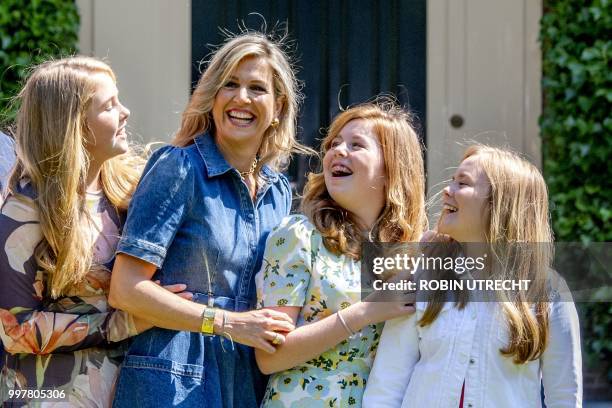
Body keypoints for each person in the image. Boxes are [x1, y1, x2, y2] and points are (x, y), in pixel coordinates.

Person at [109, 31, 309, 407]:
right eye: (229, 84)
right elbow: (126, 288)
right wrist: (228, 323)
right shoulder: (179, 167)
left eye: (257, 88)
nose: (241, 98)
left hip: (246, 380)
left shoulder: (279, 190)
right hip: (170, 377)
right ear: (212, 96)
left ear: (278, 106)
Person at [0, 57, 190, 407]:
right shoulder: (26, 207)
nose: (126, 112)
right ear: (74, 125)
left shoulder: (130, 189)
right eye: (109, 106)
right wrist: (122, 324)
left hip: (130, 389)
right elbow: (14, 329)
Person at [363, 145, 582, 407]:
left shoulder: (548, 291)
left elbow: (565, 396)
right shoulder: (422, 277)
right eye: (451, 181)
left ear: (501, 204)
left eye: (462, 184)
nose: (446, 190)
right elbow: (386, 384)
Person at [254, 101, 427, 407]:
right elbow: (270, 356)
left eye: (356, 145)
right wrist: (368, 311)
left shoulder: (413, 256)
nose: (337, 151)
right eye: (334, 144)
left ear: (392, 169)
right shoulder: (298, 235)